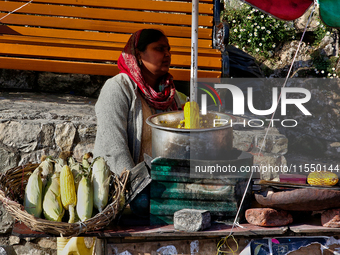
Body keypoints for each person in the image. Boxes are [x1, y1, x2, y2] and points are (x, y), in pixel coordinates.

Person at [93, 29, 183, 176]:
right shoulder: (118, 88)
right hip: (121, 186)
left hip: (161, 184)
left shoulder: (169, 93)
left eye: (168, 49)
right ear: (139, 54)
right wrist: (135, 188)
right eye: (159, 49)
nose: (167, 54)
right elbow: (115, 148)